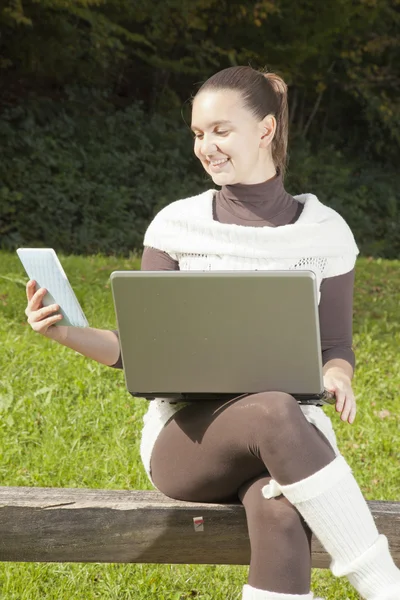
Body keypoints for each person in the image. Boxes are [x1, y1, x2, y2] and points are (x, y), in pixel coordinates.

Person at [25, 66, 400, 600]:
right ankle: (383, 585)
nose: (206, 146)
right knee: (271, 406)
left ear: (266, 130)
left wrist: (337, 375)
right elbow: (140, 350)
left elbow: (336, 347)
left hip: (294, 433)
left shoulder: (326, 233)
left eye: (221, 130)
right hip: (190, 441)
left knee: (279, 511)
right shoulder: (176, 226)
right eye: (199, 133)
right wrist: (66, 333)